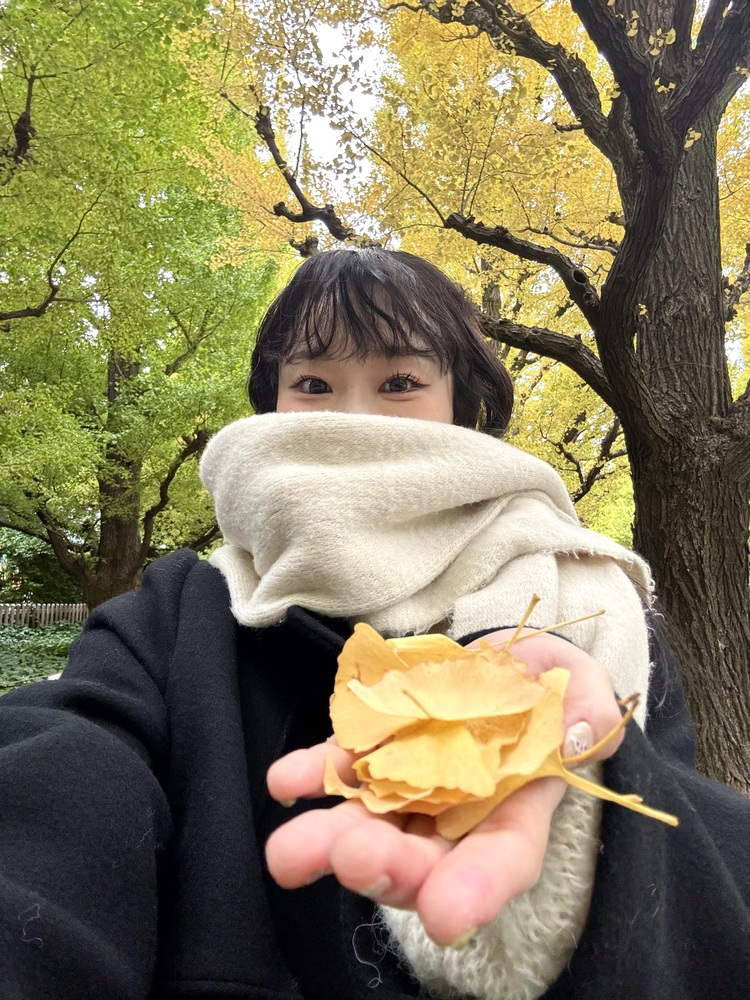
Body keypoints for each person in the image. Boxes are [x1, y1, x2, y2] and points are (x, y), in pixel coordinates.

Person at [0, 248, 748, 1000]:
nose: (353, 419)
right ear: (271, 407)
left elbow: (702, 865)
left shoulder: (595, 606)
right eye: (312, 385)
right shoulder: (171, 620)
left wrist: (579, 822)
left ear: (461, 404)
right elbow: (61, 780)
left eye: (399, 383)